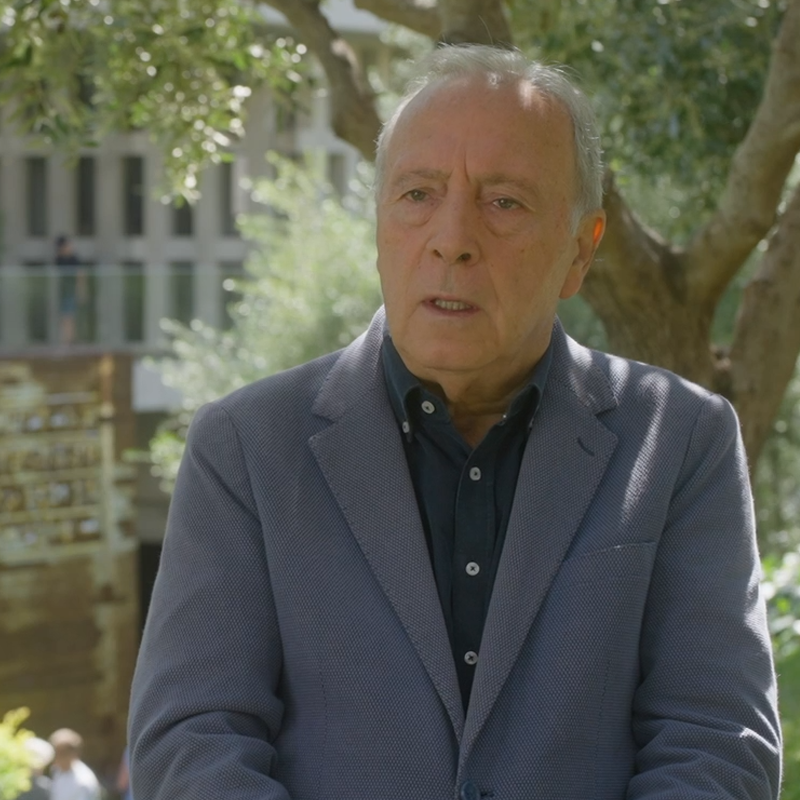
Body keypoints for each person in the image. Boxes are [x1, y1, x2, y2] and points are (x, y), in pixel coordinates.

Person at [128, 45, 781, 799]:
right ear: (379, 224)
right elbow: (192, 742)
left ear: (581, 250)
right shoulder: (244, 448)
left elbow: (717, 743)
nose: (452, 239)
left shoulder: (680, 441)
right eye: (418, 194)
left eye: (504, 202)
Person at [49, 728, 101, 800]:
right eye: (55, 752)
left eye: (61, 753)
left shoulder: (83, 781)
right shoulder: (57, 770)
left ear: (73, 754)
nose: (56, 757)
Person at [54, 235, 87, 345]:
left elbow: (80, 275)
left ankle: (69, 340)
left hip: (71, 291)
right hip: (61, 291)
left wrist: (81, 291)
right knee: (65, 316)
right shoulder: (58, 259)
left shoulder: (74, 259)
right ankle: (67, 339)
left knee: (69, 316)